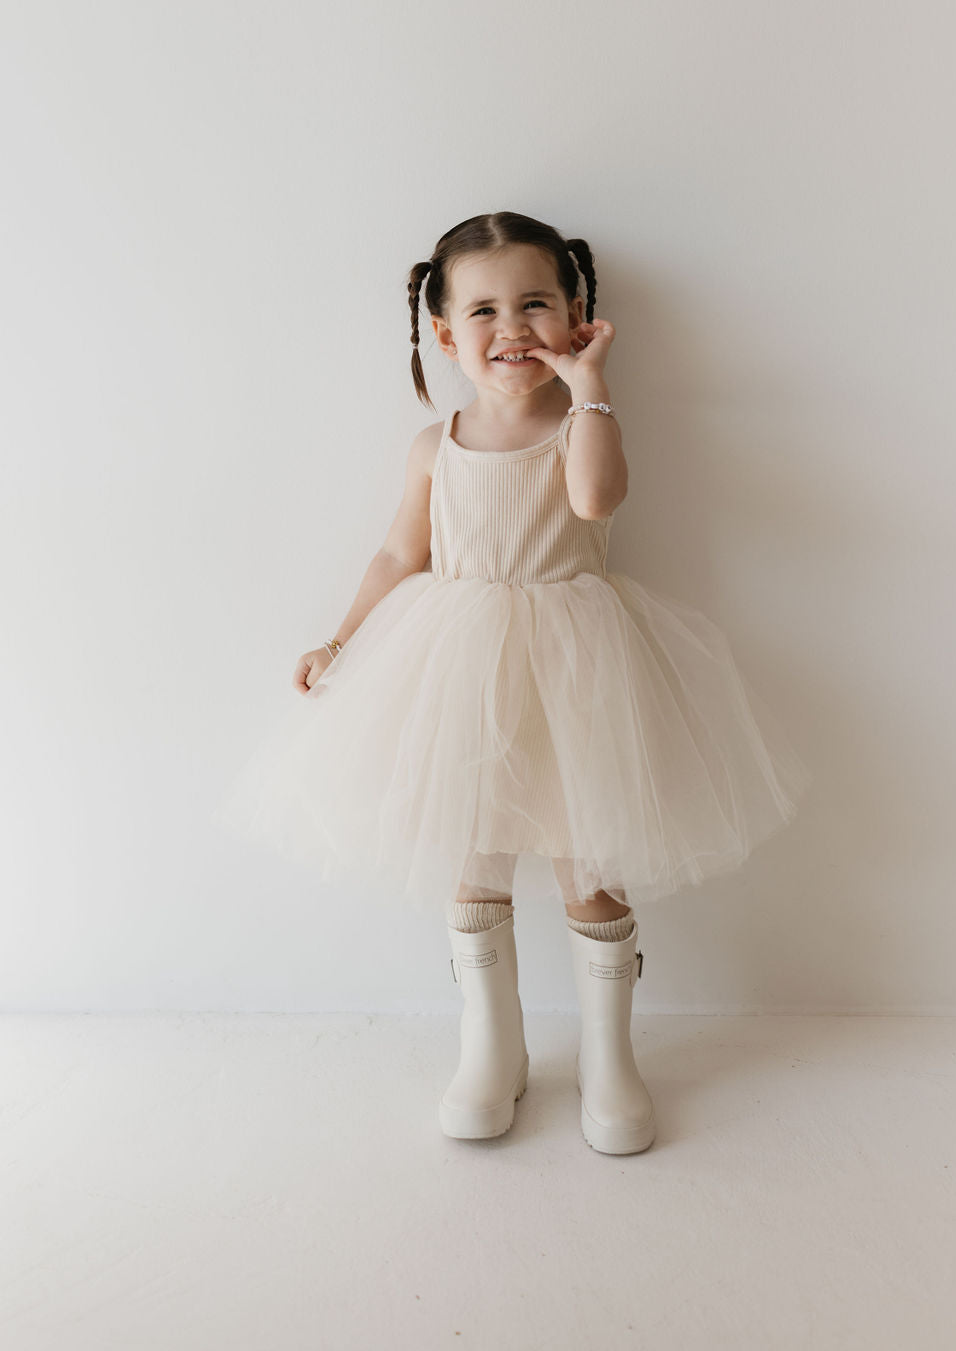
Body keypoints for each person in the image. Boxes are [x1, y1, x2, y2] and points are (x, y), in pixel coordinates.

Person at [214, 209, 812, 1155]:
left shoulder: (584, 424)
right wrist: (340, 639)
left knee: (592, 865)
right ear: (447, 334)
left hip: (582, 670)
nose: (513, 326)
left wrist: (594, 387)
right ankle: (493, 1050)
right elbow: (399, 552)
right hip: (459, 671)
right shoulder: (433, 444)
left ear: (577, 315)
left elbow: (594, 501)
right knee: (474, 856)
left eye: (537, 302)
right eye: (484, 309)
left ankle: (612, 1063)